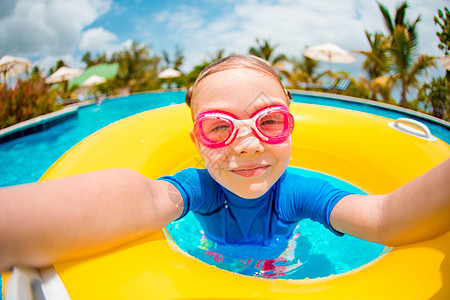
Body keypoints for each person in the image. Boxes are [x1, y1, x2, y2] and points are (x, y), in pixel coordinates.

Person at [0, 55, 449, 274]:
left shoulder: (298, 191)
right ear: (197, 142)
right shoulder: (200, 187)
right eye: (220, 128)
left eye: (269, 121)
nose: (249, 144)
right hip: (210, 261)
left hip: (287, 266)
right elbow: (144, 196)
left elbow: (385, 217)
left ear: (292, 128)